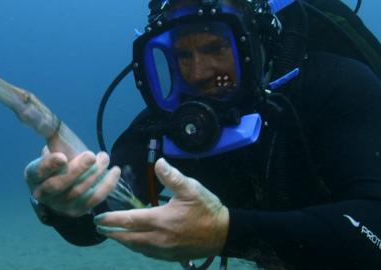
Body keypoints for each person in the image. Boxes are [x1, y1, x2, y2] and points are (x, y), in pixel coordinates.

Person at [25, 0, 381, 269]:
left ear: (253, 38)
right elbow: (101, 220)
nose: (198, 73)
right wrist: (63, 204)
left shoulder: (335, 87)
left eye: (215, 47)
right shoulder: (165, 127)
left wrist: (226, 231)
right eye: (182, 54)